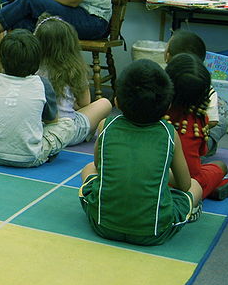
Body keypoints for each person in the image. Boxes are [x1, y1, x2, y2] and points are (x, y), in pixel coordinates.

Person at [79, 59, 203, 246]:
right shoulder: (169, 133)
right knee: (195, 186)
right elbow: (185, 185)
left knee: (88, 168)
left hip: (102, 224)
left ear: (117, 102)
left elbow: (98, 165)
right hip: (154, 232)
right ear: (167, 106)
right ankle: (189, 213)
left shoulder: (106, 125)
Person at [0, 30, 73, 167]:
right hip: (30, 158)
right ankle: (44, 151)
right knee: (67, 125)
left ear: (2, 60)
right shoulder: (43, 84)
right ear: (37, 61)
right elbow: (51, 120)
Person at [164, 53, 228, 200]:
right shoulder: (199, 118)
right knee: (220, 165)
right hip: (188, 184)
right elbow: (202, 152)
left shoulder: (153, 110)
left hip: (150, 178)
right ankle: (208, 189)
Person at [34, 14, 112, 146]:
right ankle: (87, 133)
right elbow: (84, 103)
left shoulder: (31, 66)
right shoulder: (74, 69)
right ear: (70, 43)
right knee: (104, 103)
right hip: (66, 132)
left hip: (36, 130)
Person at [164, 29, 225, 157]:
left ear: (168, 56)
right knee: (223, 122)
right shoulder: (205, 87)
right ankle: (209, 149)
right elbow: (213, 121)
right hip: (191, 147)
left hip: (161, 141)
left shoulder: (160, 81)